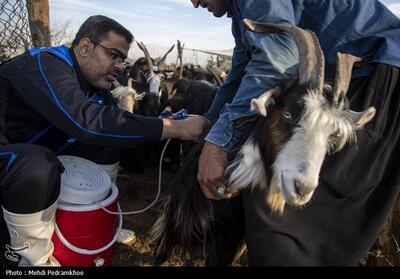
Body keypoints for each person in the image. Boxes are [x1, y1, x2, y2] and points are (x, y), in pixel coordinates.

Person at [191, 0, 400, 265]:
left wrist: (218, 146)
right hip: (374, 69)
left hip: (373, 73)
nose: (194, 2)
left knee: (279, 220)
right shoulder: (240, 13)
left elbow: (278, 59)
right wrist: (209, 125)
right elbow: (240, 74)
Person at [0, 15, 208, 266]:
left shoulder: (94, 85)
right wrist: (175, 129)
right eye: (113, 55)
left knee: (109, 141)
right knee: (36, 165)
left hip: (37, 154)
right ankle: (31, 257)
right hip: (13, 158)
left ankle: (102, 220)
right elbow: (85, 121)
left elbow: (117, 122)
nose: (120, 66)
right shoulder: (46, 64)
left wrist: (163, 119)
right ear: (86, 47)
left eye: (123, 59)